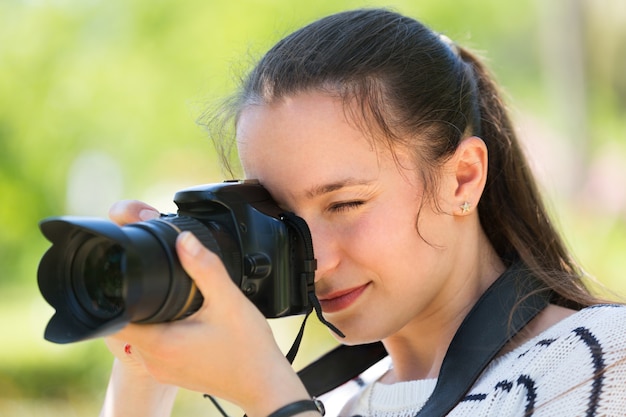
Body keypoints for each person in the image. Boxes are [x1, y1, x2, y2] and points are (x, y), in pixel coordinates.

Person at [99, 8, 626, 417]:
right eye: (280, 219)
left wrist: (269, 393)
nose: (317, 261)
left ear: (462, 176)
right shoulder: (344, 400)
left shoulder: (599, 360)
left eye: (345, 204)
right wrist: (143, 368)